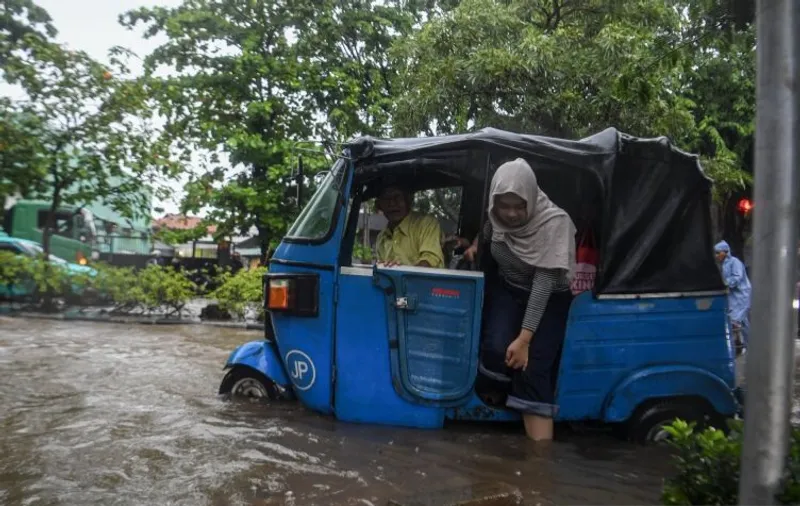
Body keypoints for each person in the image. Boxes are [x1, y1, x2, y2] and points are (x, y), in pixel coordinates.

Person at [461, 158, 576, 441]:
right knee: (496, 346)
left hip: (549, 297)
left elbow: (544, 282)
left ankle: (539, 461)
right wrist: (475, 246)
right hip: (509, 289)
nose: (511, 214)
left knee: (530, 366)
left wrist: (525, 339)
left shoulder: (554, 222)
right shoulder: (496, 220)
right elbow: (487, 232)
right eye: (504, 205)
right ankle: (499, 401)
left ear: (532, 199)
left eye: (519, 205)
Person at [374, 184, 445, 268]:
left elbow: (429, 262)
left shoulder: (426, 224)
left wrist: (400, 272)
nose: (392, 203)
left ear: (408, 199)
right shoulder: (381, 237)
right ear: (379, 205)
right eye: (386, 199)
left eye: (397, 197)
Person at [715, 240, 751, 353]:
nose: (716, 256)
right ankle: (751, 345)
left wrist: (726, 283)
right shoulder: (724, 264)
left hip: (741, 295)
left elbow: (737, 277)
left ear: (725, 252)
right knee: (743, 323)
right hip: (734, 296)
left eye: (718, 253)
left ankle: (737, 346)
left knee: (734, 320)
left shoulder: (735, 262)